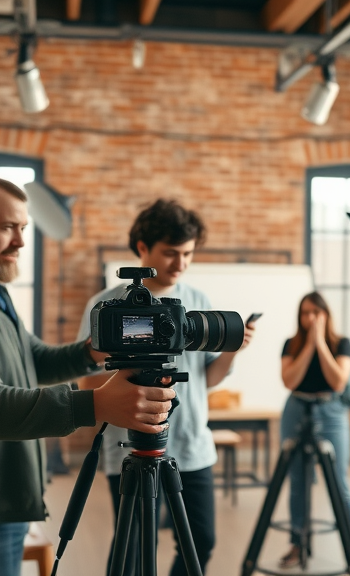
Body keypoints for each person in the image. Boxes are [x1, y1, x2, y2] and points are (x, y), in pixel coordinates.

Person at [0, 174, 175, 576]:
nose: (22, 242)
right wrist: (96, 404)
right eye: (9, 227)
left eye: (23, 227)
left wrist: (92, 350)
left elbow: (32, 359)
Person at [77, 198, 254, 576]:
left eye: (188, 253)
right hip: (132, 446)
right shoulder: (106, 305)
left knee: (201, 542)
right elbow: (88, 381)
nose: (181, 263)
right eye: (171, 253)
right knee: (135, 548)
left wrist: (232, 351)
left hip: (191, 446)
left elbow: (207, 380)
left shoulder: (197, 301)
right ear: (143, 248)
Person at [277, 292, 350, 572]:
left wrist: (320, 344)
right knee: (298, 482)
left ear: (326, 314)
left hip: (331, 412)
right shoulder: (291, 344)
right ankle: (298, 543)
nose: (311, 318)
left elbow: (338, 381)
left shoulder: (342, 344)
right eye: (305, 313)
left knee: (339, 483)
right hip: (296, 409)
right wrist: (309, 346)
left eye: (316, 313)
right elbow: (289, 380)